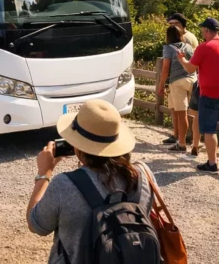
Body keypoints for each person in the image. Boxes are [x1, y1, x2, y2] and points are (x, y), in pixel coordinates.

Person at [26, 99, 159, 263]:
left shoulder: (65, 184)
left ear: (78, 147)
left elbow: (36, 224)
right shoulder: (143, 175)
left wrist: (44, 173)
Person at [177, 17, 219, 172]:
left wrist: (182, 59)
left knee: (209, 129)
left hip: (209, 94)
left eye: (203, 30)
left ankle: (212, 163)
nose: (202, 32)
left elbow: (190, 69)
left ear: (207, 30)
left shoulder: (203, 47)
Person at [157, 24, 196, 152]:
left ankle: (182, 143)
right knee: (193, 113)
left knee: (181, 114)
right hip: (192, 80)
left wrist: (161, 85)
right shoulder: (188, 47)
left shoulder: (168, 48)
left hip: (177, 81)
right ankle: (193, 141)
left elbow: (165, 68)